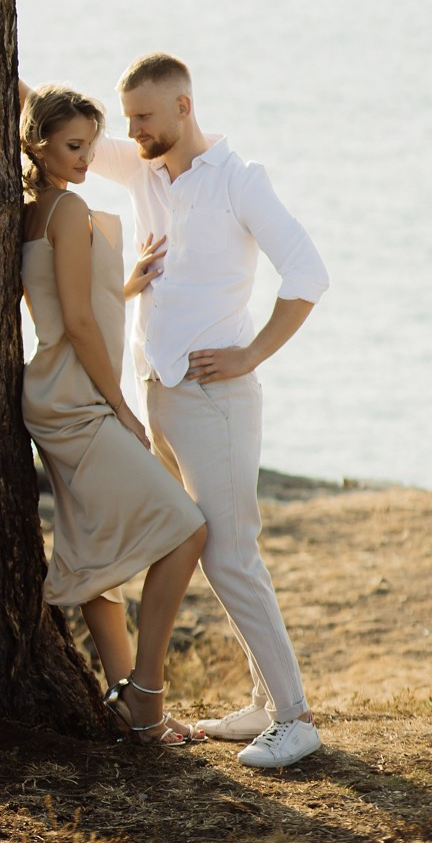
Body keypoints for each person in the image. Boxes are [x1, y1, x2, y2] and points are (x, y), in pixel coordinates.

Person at [19, 55, 329, 769]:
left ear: (184, 108)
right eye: (126, 121)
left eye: (143, 120)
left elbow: (308, 272)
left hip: (216, 398)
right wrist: (5, 63)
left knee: (225, 550)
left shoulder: (239, 181)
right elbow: (55, 123)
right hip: (158, 394)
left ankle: (295, 717)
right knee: (211, 546)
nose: (130, 134)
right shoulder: (144, 171)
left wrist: (251, 353)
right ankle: (260, 700)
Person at [20, 84, 209, 746]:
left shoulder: (35, 210)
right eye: (73, 147)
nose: (84, 158)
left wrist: (125, 283)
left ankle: (128, 704)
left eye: (91, 146)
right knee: (187, 529)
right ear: (37, 144)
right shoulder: (67, 209)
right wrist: (122, 406)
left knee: (94, 556)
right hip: (77, 400)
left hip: (57, 393)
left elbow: (64, 295)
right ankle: (147, 700)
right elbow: (73, 319)